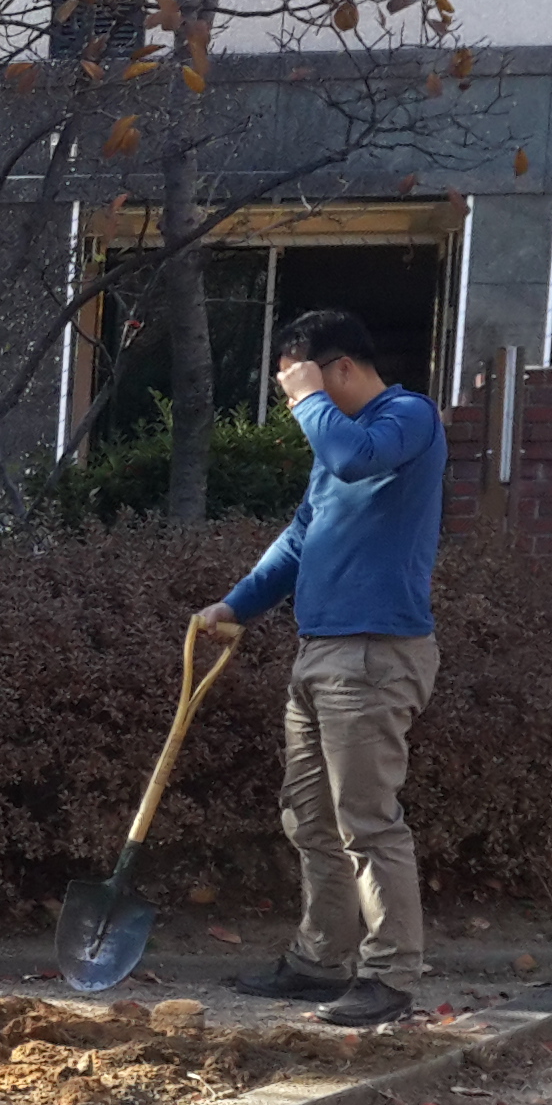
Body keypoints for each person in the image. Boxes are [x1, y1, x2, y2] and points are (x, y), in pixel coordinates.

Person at [191, 308, 449, 1031]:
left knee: (366, 820)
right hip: (320, 650)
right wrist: (237, 604)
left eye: (302, 384)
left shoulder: (408, 418)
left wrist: (305, 398)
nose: (296, 406)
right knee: (309, 816)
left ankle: (389, 977)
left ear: (339, 368)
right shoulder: (336, 442)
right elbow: (304, 533)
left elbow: (353, 459)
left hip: (375, 653)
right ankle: (318, 962)